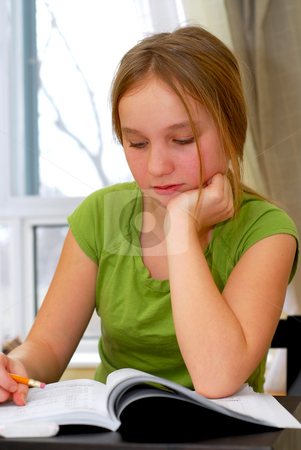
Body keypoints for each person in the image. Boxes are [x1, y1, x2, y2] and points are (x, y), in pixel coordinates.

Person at [0, 26, 298, 406]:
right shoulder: (99, 217)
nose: (157, 166)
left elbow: (217, 375)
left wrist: (181, 230)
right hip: (114, 433)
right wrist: (14, 368)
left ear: (232, 130)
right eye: (137, 143)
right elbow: (47, 348)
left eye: (183, 140)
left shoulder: (267, 234)